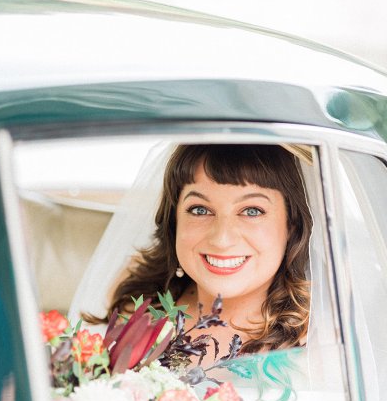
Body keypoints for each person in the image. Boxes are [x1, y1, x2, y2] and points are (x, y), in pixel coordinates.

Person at [85, 144, 312, 368]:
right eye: (200, 210)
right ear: (174, 220)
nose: (221, 239)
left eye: (252, 211)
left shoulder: (321, 337)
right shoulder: (136, 302)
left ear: (292, 225)